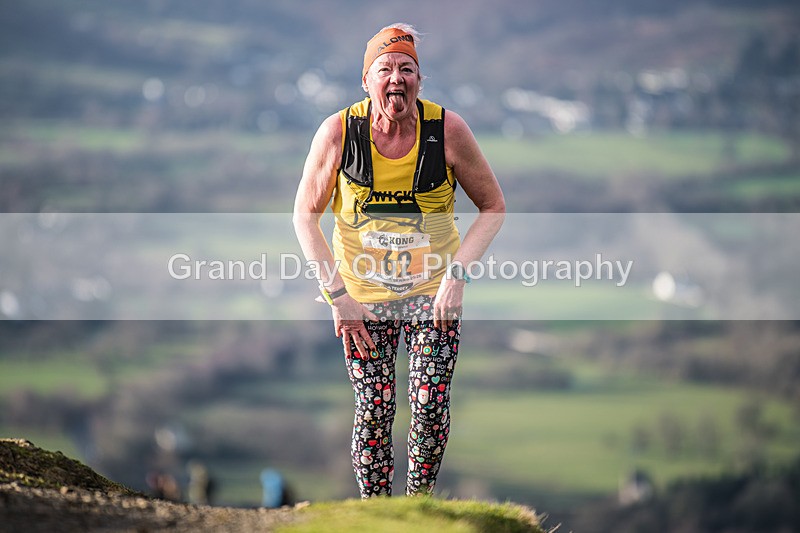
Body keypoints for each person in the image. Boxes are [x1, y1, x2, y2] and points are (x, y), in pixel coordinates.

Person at [293, 23, 504, 498]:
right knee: (373, 410)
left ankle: (418, 508)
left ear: (419, 81)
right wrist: (338, 296)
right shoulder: (339, 132)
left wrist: (457, 278)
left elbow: (493, 206)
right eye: (384, 69)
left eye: (407, 69)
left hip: (433, 294)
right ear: (365, 81)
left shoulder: (448, 131)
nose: (396, 78)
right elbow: (304, 217)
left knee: (429, 408)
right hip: (362, 300)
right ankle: (377, 515)